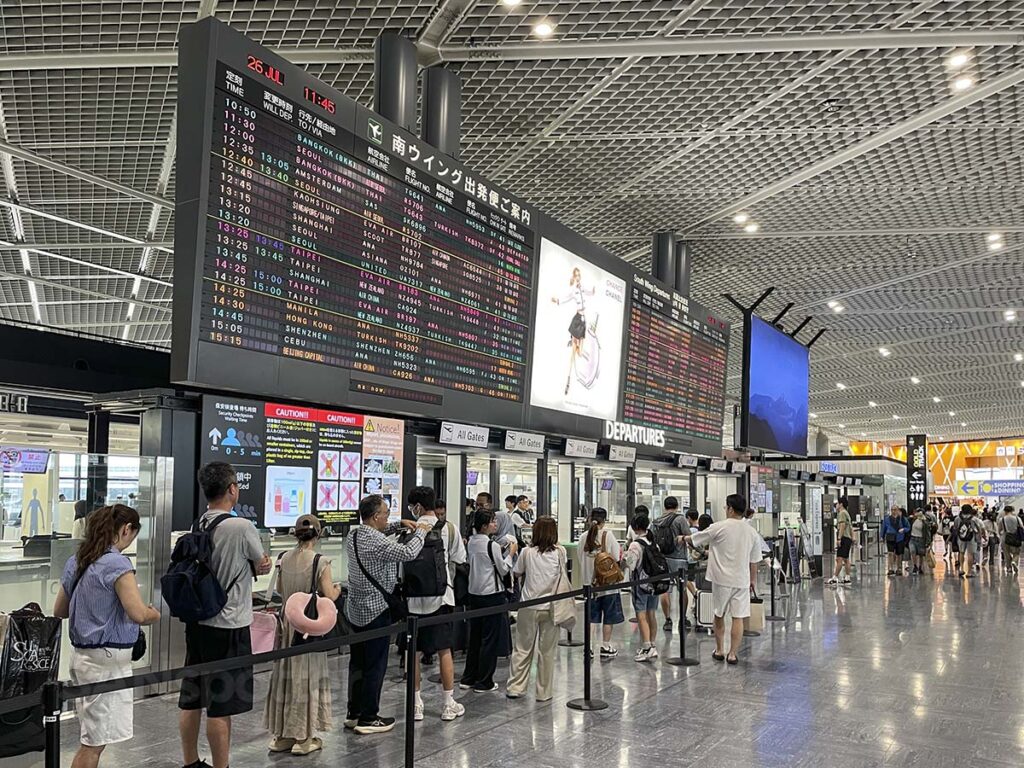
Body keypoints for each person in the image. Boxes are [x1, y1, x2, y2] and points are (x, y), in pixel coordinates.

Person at [179, 462, 272, 768]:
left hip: (198, 622)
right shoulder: (240, 526)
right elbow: (261, 563)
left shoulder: (200, 523)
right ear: (232, 489)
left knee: (192, 698)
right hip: (229, 623)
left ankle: (191, 762)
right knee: (221, 705)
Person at [52, 505, 160, 768]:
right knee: (93, 743)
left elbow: (60, 610)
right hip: (106, 663)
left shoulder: (77, 560)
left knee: (93, 736)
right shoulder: (117, 563)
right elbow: (137, 613)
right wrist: (153, 614)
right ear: (126, 530)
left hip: (82, 658)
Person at [345, 494, 430, 734]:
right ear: (375, 516)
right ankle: (369, 717)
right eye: (385, 513)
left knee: (358, 663)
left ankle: (354, 712)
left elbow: (380, 533)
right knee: (375, 664)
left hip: (355, 610)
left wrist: (400, 524)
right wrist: (421, 531)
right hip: (375, 610)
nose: (387, 517)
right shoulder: (377, 543)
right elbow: (408, 553)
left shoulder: (355, 534)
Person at [264, 514, 341, 755]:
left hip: (287, 624)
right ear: (317, 535)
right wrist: (337, 590)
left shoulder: (283, 558)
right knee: (306, 677)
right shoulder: (320, 561)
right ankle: (304, 737)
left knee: (285, 676)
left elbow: (278, 590)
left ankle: (282, 735)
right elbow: (328, 595)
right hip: (308, 627)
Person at [406, 486, 467, 722]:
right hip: (442, 597)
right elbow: (460, 558)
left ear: (417, 507)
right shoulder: (449, 528)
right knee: (444, 650)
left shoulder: (407, 529)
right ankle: (447, 703)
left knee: (414, 653)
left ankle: (416, 704)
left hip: (413, 599)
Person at [685, 494, 762, 665]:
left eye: (726, 507)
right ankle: (733, 654)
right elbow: (754, 560)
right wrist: (753, 580)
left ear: (731, 509)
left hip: (721, 579)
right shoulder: (752, 532)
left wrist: (683, 538)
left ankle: (719, 650)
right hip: (742, 580)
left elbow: (696, 539)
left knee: (719, 614)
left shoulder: (719, 527)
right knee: (738, 617)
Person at [507, 517, 565, 700]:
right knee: (547, 652)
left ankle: (516, 688)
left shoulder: (527, 552)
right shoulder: (560, 552)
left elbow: (516, 572)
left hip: (529, 605)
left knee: (522, 648)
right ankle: (543, 692)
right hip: (552, 606)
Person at [461, 508, 516, 692]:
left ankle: (469, 677)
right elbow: (503, 569)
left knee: (475, 638)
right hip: (492, 595)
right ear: (484, 525)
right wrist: (510, 554)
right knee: (489, 640)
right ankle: (484, 681)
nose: (496, 524)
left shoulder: (471, 543)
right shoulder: (491, 545)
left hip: (474, 595)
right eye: (493, 521)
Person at [579, 507, 623, 658]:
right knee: (608, 616)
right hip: (607, 585)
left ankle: (589, 648)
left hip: (589, 585)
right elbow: (616, 557)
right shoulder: (608, 535)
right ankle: (605, 646)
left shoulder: (583, 536)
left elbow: (580, 558)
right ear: (605, 520)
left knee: (591, 617)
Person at [552, 266, 597, 396]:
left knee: (579, 351)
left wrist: (594, 289)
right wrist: (557, 301)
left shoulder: (582, 288)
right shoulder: (573, 290)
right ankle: (568, 381)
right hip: (577, 320)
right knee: (573, 352)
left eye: (579, 275)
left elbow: (590, 292)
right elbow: (566, 298)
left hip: (583, 321)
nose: (578, 277)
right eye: (576, 275)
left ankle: (574, 344)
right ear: (574, 277)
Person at [622, 513, 660, 662]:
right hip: (654, 583)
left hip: (640, 584)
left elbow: (631, 565)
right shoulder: (653, 542)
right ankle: (652, 644)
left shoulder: (635, 544)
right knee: (651, 614)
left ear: (635, 527)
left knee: (641, 615)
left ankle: (646, 647)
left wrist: (625, 558)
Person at [652, 496, 689, 633]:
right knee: (682, 589)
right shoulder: (680, 519)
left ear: (664, 506)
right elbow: (688, 537)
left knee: (664, 590)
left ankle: (668, 620)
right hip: (679, 559)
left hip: (662, 560)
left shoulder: (655, 521)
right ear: (677, 506)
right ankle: (683, 618)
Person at [827, 499, 854, 585]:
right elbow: (850, 527)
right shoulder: (846, 513)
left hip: (844, 538)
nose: (836, 505)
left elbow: (842, 525)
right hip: (848, 538)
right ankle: (847, 577)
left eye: (837, 503)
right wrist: (852, 538)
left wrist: (839, 538)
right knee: (846, 559)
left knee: (839, 558)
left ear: (841, 504)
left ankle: (835, 578)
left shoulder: (842, 513)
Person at [954, 505, 983, 578]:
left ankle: (961, 569)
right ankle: (969, 572)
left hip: (961, 537)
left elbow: (956, 528)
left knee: (961, 552)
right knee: (970, 554)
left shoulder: (957, 518)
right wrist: (980, 537)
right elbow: (978, 529)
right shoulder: (974, 519)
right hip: (971, 537)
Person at [882, 506, 909, 577]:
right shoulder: (887, 519)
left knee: (899, 554)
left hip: (899, 538)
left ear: (898, 510)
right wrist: (882, 536)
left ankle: (899, 568)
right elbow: (884, 528)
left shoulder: (902, 519)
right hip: (890, 537)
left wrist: (903, 530)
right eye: (892, 510)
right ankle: (890, 568)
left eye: (895, 510)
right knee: (890, 553)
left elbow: (908, 527)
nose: (894, 511)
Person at [999, 505, 1021, 574]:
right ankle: (1014, 561)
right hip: (1016, 537)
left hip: (1005, 537)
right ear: (1012, 511)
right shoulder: (1017, 518)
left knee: (1006, 554)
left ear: (1005, 511)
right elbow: (1022, 527)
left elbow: (999, 530)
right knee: (1016, 552)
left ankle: (1009, 568)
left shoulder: (1001, 519)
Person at [908, 508, 930, 575]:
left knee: (921, 555)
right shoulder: (913, 519)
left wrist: (928, 543)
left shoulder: (925, 522)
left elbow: (927, 532)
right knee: (912, 551)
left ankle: (920, 567)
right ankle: (915, 566)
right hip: (912, 538)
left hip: (921, 539)